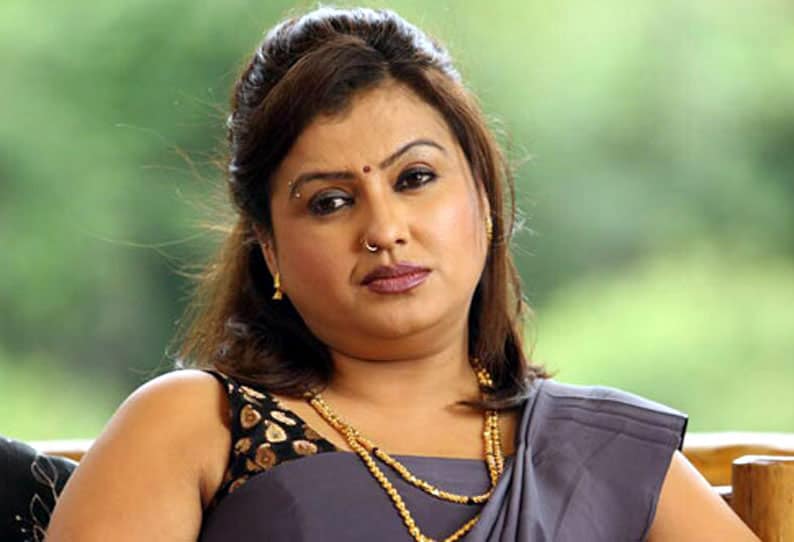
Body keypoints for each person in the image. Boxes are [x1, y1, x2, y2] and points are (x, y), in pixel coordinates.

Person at [46, 6, 758, 541]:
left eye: (415, 178)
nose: (384, 230)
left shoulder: (603, 455)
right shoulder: (199, 426)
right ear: (270, 248)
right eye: (329, 202)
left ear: (484, 200)